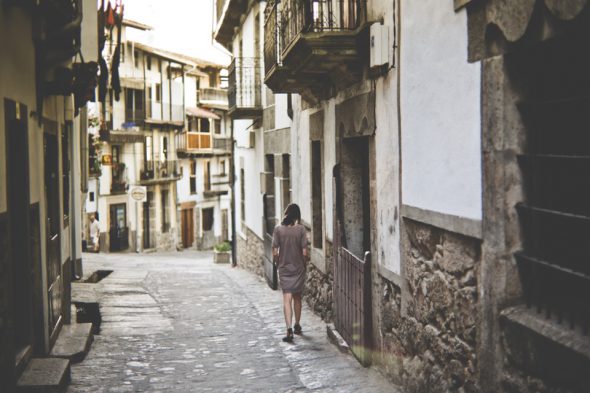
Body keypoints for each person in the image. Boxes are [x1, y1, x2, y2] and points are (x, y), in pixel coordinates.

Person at [272, 203, 309, 343]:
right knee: (297, 297)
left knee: (286, 298)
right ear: (297, 216)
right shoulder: (301, 230)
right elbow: (305, 252)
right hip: (298, 268)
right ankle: (297, 325)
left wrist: (278, 263)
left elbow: (275, 251)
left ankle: (288, 329)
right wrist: (303, 263)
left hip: (284, 269)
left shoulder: (278, 230)